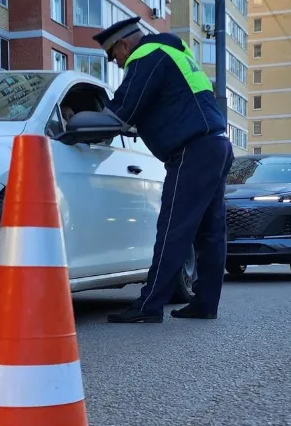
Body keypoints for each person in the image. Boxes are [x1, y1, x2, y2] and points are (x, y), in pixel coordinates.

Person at [92, 17, 234, 323]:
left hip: (192, 149)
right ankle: (206, 303)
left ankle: (149, 306)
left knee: (173, 227)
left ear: (125, 44)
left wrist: (86, 128)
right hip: (216, 144)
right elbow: (160, 107)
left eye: (113, 54)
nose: (115, 63)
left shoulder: (146, 56)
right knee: (210, 231)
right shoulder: (174, 53)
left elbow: (124, 108)